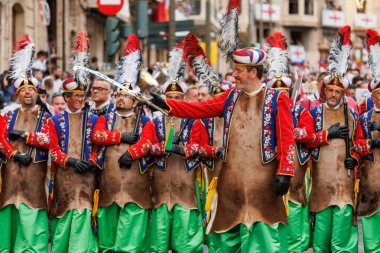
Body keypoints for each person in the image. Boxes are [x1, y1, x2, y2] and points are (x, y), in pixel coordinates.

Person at [150, 46, 295, 252]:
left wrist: (285, 171)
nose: (234, 74)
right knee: (226, 235)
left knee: (263, 236)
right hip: (230, 181)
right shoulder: (230, 97)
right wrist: (167, 104)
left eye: (239, 70)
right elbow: (198, 109)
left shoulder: (276, 99)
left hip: (262, 181)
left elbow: (286, 137)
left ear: (253, 72)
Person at [92, 33, 157, 253]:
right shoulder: (105, 118)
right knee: (108, 224)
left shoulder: (145, 120)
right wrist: (120, 138)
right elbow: (97, 136)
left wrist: (133, 153)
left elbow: (148, 141)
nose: (120, 98)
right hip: (109, 180)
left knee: (133, 222)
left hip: (134, 181)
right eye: (118, 94)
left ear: (135, 101)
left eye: (125, 95)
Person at [304, 26, 364, 252]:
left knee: (342, 243)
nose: (333, 95)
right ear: (324, 91)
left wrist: (356, 159)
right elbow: (306, 140)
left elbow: (359, 144)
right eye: (329, 91)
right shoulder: (313, 114)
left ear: (343, 94)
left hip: (344, 186)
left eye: (337, 92)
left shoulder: (351, 116)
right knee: (320, 243)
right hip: (320, 186)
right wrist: (327, 135)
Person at [48, 31, 100, 252]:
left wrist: (91, 160)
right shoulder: (55, 120)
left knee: (83, 213)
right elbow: (53, 149)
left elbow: (99, 145)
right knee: (64, 216)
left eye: (82, 96)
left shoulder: (95, 118)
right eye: (75, 96)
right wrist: (70, 161)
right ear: (66, 98)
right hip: (64, 176)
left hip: (88, 176)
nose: (79, 100)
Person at [0, 35, 51, 252]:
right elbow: (1, 140)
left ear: (37, 93)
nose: (28, 93)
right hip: (10, 171)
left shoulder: (46, 117)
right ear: (18, 94)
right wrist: (14, 154)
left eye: (31, 90)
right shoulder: (6, 115)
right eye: (23, 90)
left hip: (35, 173)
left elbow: (48, 140)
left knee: (32, 212)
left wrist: (26, 136)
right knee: (9, 210)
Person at [265, 31, 314, 252]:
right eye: (275, 91)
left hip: (295, 176)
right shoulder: (263, 114)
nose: (279, 95)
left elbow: (310, 135)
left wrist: (292, 132)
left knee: (295, 227)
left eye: (282, 91)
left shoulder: (300, 110)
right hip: (267, 174)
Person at [356, 28, 380, 253]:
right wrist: (369, 144)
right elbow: (356, 145)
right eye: (378, 93)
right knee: (371, 239)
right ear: (371, 96)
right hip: (371, 180)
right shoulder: (363, 118)